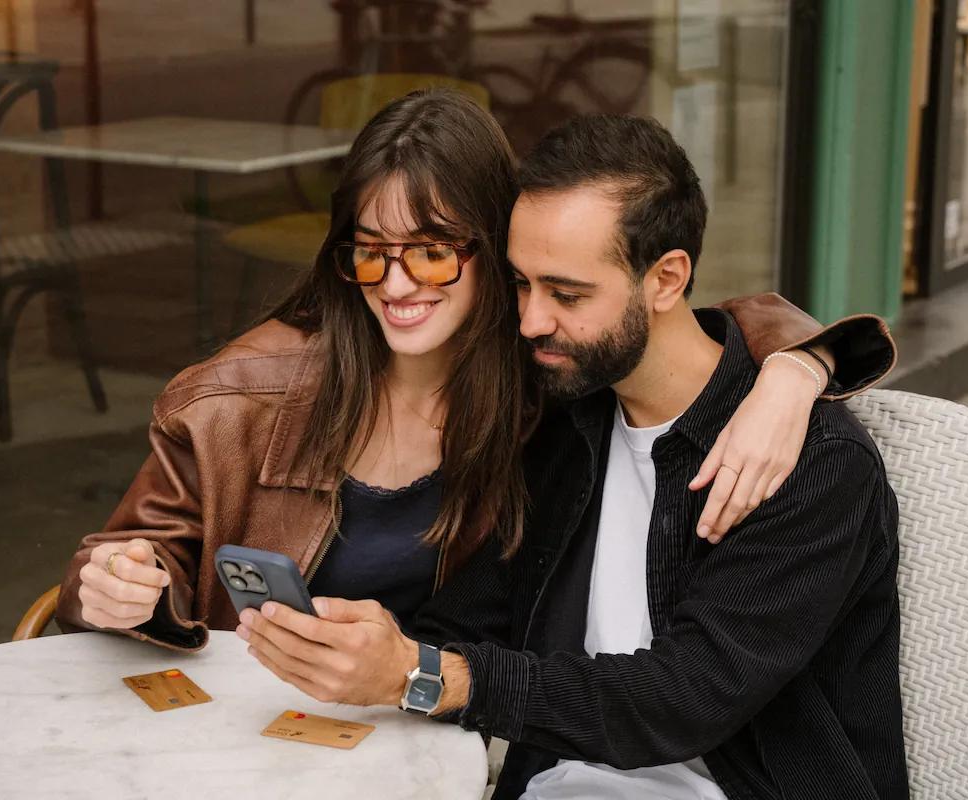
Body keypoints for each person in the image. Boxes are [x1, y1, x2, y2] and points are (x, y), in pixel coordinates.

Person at [54, 91, 895, 661]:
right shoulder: (237, 396)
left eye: (429, 251)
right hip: (254, 728)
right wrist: (129, 589)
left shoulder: (550, 376)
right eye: (370, 253)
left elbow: (672, 328)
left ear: (496, 252)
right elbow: (121, 563)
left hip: (441, 733)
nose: (395, 285)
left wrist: (796, 367)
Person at [236, 113, 908, 799]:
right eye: (522, 284)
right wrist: (380, 647)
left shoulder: (811, 465)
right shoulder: (571, 419)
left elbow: (681, 700)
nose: (530, 321)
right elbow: (473, 616)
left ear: (667, 279)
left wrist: (426, 675)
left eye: (567, 293)